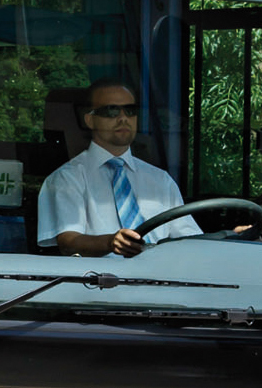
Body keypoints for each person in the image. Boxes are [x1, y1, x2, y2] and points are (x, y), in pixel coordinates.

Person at [38, 78, 204, 257]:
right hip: (99, 274)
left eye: (130, 110)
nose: (123, 118)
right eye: (111, 111)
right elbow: (68, 242)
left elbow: (190, 240)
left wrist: (224, 239)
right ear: (90, 120)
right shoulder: (67, 179)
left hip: (158, 272)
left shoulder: (161, 180)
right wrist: (110, 242)